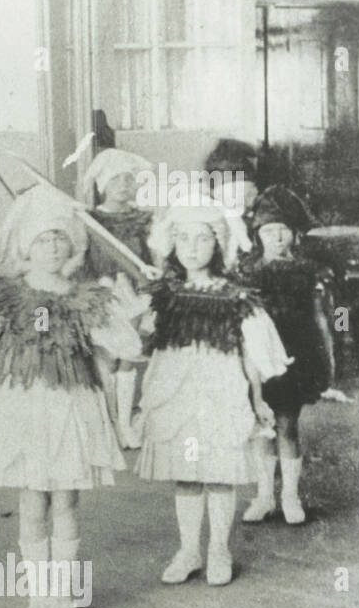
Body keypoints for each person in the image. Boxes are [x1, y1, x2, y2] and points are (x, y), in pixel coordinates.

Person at [0, 184, 143, 608]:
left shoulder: (88, 296)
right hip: (23, 404)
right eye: (42, 238)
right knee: (32, 500)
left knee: (66, 501)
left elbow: (129, 347)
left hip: (72, 404)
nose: (53, 245)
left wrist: (123, 311)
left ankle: (61, 598)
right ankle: (39, 597)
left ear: (73, 244)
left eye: (59, 236)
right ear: (25, 246)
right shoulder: (6, 294)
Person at [135, 204, 290, 586]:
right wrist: (149, 307)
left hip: (221, 391)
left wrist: (256, 400)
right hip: (179, 393)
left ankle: (219, 548)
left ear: (218, 245)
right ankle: (189, 550)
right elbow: (144, 341)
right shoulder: (165, 293)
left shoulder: (237, 297)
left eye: (203, 238)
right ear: (173, 244)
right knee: (187, 472)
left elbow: (253, 356)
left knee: (219, 471)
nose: (192, 247)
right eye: (184, 238)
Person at [234, 187, 339, 524]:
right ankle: (264, 496)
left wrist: (330, 359)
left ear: (295, 234)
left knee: (287, 425)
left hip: (296, 356)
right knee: (261, 426)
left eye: (283, 230)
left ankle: (290, 496)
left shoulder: (311, 272)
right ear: (256, 235)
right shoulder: (245, 273)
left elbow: (330, 317)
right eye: (268, 231)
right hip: (254, 359)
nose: (276, 238)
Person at [77, 147, 158, 448]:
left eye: (129, 179)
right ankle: (110, 424)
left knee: (129, 359)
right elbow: (81, 259)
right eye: (116, 180)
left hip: (136, 296)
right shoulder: (89, 220)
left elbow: (153, 256)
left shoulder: (144, 219)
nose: (124, 185)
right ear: (102, 185)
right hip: (103, 295)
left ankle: (125, 424)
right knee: (106, 360)